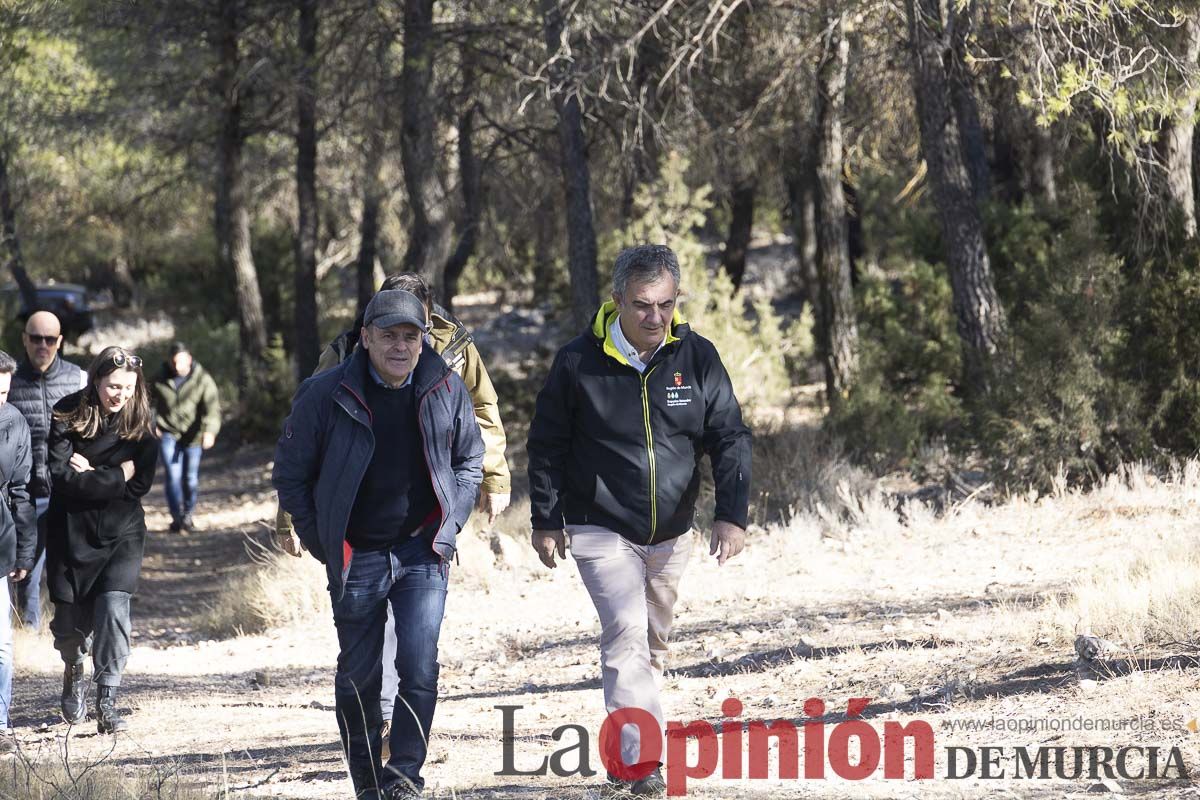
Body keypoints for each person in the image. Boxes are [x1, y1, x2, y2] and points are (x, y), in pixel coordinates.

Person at [526, 244, 752, 797]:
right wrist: (546, 517)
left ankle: (627, 750)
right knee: (625, 637)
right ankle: (640, 767)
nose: (655, 317)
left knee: (651, 644)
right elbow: (547, 443)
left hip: (673, 532)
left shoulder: (696, 356)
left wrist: (732, 515)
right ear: (617, 301)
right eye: (643, 305)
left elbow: (728, 437)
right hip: (600, 524)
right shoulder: (578, 362)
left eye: (666, 305)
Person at [274, 272, 510, 757]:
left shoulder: (453, 359)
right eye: (390, 331)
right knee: (361, 666)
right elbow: (300, 460)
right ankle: (373, 751)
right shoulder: (336, 366)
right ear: (368, 332)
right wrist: (314, 534)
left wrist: (487, 485)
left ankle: (404, 770)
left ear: (427, 322)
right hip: (356, 544)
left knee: (419, 662)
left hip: (422, 542)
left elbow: (479, 419)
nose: (402, 341)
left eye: (413, 330)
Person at [46, 346, 158, 734]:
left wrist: (92, 472)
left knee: (113, 610)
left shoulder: (142, 421)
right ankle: (75, 666)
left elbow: (140, 484)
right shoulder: (66, 413)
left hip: (121, 533)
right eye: (113, 386)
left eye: (128, 388)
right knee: (68, 627)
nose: (120, 395)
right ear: (95, 380)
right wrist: (115, 474)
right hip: (69, 532)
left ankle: (107, 699)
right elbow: (62, 480)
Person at [8, 311, 86, 629]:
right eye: (36, 338)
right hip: (25, 494)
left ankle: (77, 633)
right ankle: (28, 630)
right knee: (26, 568)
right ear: (25, 339)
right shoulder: (8, 381)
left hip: (68, 491)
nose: (43, 345)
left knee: (74, 566)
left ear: (60, 342)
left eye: (50, 339)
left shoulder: (79, 379)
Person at [0, 351, 37, 753]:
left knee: (1, 644)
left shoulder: (15, 424)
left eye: (5, 391)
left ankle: (0, 722)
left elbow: (21, 492)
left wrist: (25, 549)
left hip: (0, 542)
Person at [151, 342, 220, 533]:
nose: (177, 366)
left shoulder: (202, 379)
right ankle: (176, 518)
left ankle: (188, 515)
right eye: (174, 362)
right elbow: (144, 401)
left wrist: (210, 431)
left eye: (181, 362)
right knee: (172, 477)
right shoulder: (159, 378)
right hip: (168, 434)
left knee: (190, 479)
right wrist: (152, 423)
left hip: (194, 436)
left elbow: (212, 408)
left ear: (189, 359)